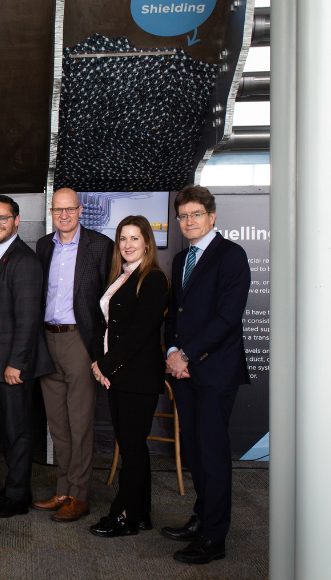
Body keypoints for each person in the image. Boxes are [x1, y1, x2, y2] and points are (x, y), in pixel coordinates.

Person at [161, 185, 251, 564]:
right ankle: (201, 517)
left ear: (212, 217)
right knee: (196, 453)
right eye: (183, 216)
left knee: (213, 456)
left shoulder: (232, 256)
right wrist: (171, 353)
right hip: (184, 374)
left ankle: (215, 538)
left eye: (196, 214)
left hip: (214, 372)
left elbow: (228, 318)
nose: (189, 221)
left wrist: (187, 355)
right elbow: (175, 314)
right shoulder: (182, 259)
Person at [33, 187, 113, 522]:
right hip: (48, 339)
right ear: (52, 212)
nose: (63, 215)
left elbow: (111, 299)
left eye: (70, 210)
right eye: (57, 210)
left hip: (79, 340)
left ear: (80, 211)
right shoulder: (43, 246)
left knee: (80, 422)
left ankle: (80, 495)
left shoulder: (101, 246)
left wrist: (103, 349)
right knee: (58, 424)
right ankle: (63, 489)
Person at [87, 216, 170, 538]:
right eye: (123, 238)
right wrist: (99, 362)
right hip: (118, 375)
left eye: (135, 238)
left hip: (138, 377)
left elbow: (139, 333)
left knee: (132, 448)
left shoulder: (153, 279)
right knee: (132, 445)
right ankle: (141, 513)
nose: (128, 244)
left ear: (147, 243)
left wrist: (105, 366)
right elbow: (104, 326)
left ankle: (122, 514)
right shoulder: (120, 277)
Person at [0, 195, 55, 519]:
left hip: (12, 367)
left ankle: (18, 499)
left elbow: (27, 320)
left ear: (17, 220)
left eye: (2, 218)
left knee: (19, 433)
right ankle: (14, 488)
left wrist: (16, 364)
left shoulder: (24, 260)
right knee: (5, 432)